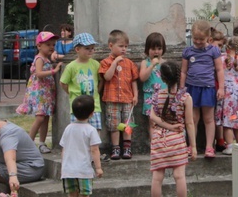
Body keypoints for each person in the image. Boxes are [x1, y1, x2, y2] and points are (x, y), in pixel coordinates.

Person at [149, 61, 196, 197]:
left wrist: (165, 124)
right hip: (177, 139)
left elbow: (152, 116)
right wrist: (193, 146)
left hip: (159, 138)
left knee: (157, 177)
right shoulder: (185, 97)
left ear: (162, 77)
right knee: (179, 176)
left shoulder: (157, 95)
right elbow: (189, 123)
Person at [180, 20, 225, 159]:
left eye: (201, 39)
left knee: (209, 118)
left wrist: (221, 88)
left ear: (208, 38)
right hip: (192, 88)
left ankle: (209, 146)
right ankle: (191, 145)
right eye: (195, 39)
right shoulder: (188, 51)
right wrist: (182, 89)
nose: (198, 42)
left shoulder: (214, 50)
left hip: (208, 88)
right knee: (193, 118)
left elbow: (219, 69)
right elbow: (183, 71)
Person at [60, 94, 103, 197]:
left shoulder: (68, 128)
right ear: (91, 114)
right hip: (83, 170)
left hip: (68, 169)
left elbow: (64, 149)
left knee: (71, 195)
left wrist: (64, 165)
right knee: (84, 196)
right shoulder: (91, 130)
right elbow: (94, 150)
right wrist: (98, 168)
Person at [16, 31, 63, 153]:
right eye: (48, 45)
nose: (51, 47)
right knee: (40, 118)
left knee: (45, 118)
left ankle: (42, 143)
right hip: (39, 93)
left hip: (46, 92)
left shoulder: (47, 59)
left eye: (53, 44)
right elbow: (39, 73)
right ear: (39, 46)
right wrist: (54, 71)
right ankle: (28, 143)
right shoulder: (39, 58)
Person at [100, 29, 139, 160]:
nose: (124, 49)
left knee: (128, 124)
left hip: (127, 98)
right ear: (111, 46)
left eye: (126, 47)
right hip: (112, 99)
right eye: (121, 46)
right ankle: (116, 148)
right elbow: (107, 77)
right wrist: (115, 62)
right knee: (114, 124)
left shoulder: (129, 63)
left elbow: (133, 80)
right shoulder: (105, 62)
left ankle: (127, 147)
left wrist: (136, 95)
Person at [60, 33, 103, 131]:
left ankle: (94, 146)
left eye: (92, 48)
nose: (91, 50)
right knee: (77, 129)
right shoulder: (71, 66)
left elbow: (101, 80)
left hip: (94, 105)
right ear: (77, 49)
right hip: (77, 105)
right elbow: (63, 82)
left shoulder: (96, 64)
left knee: (96, 129)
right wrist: (71, 92)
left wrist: (97, 92)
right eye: (87, 48)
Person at [139, 32, 166, 127]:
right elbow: (142, 77)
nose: (156, 52)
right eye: (153, 49)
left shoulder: (165, 64)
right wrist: (151, 65)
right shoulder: (145, 63)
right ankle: (154, 141)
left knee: (164, 121)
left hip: (164, 95)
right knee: (152, 123)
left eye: (159, 49)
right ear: (147, 49)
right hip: (150, 95)